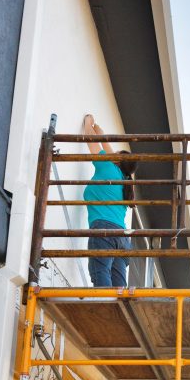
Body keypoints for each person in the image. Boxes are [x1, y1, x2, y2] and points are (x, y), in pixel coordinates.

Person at [82, 113, 135, 287]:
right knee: (118, 284)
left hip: (104, 230)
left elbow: (89, 138)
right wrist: (102, 133)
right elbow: (113, 155)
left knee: (100, 273)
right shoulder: (125, 180)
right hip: (121, 237)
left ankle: (103, 306)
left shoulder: (107, 167)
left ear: (117, 161)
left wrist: (89, 123)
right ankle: (118, 312)